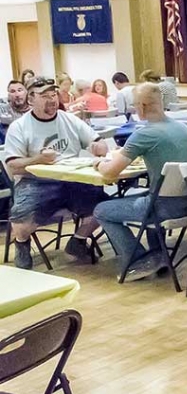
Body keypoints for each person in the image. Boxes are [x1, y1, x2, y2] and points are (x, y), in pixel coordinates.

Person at [93, 84, 187, 280]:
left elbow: (110, 174)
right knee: (147, 194)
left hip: (162, 208)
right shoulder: (184, 129)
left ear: (141, 107)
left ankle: (138, 260)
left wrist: (99, 163)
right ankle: (158, 256)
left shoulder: (144, 134)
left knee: (101, 210)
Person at [3, 77, 109, 269]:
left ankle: (77, 241)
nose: (52, 100)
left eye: (53, 95)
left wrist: (98, 147)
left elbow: (99, 142)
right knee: (21, 215)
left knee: (104, 207)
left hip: (73, 179)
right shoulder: (19, 127)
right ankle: (22, 244)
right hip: (36, 181)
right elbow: (13, 166)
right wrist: (37, 159)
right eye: (45, 96)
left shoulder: (68, 119)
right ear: (31, 99)